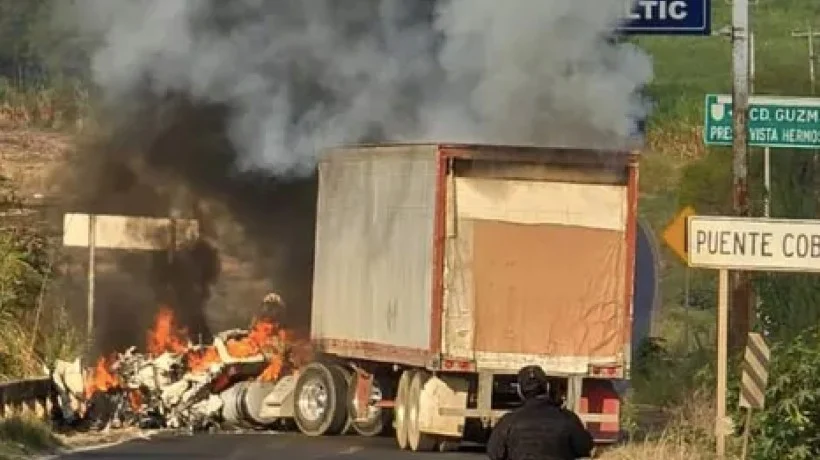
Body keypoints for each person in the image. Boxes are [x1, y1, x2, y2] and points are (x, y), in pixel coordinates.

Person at [486, 365, 594, 460]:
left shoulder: (508, 421)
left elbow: (494, 453)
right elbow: (584, 447)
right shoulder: (568, 418)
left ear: (519, 391)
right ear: (547, 387)